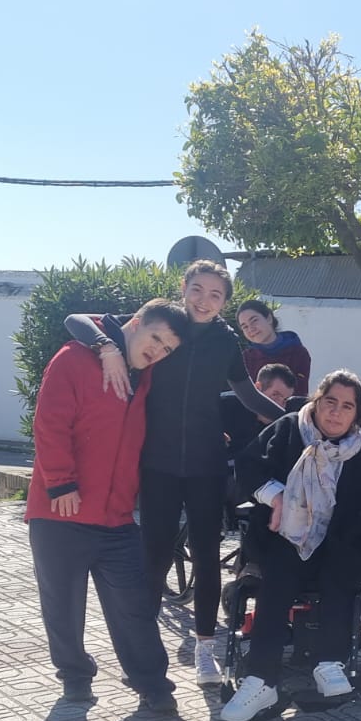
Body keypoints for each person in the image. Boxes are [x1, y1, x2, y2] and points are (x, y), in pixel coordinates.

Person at [66, 261, 283, 687]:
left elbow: (248, 395)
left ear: (225, 301)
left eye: (216, 295)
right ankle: (145, 655)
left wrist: (299, 423)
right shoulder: (165, 326)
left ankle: (206, 649)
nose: (205, 300)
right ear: (184, 287)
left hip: (205, 465)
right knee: (154, 557)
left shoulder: (224, 340)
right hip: (156, 464)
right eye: (198, 290)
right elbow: (75, 320)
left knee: (206, 557)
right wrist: (106, 347)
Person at [221, 371, 361, 721]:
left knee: (341, 571)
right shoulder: (286, 431)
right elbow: (248, 467)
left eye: (347, 406)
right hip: (286, 537)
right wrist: (276, 495)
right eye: (330, 402)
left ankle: (330, 662)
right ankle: (260, 679)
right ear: (316, 401)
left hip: (340, 543)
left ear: (356, 414)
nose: (336, 412)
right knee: (277, 576)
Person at [27, 300, 190, 709]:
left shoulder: (145, 376)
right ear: (135, 324)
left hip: (116, 517)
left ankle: (152, 682)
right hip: (61, 511)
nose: (158, 351)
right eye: (156, 338)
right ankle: (75, 675)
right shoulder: (73, 359)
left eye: (167, 348)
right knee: (63, 607)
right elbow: (49, 423)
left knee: (134, 604)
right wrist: (60, 483)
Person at [237, 299, 312, 394]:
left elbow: (300, 393)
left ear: (269, 318)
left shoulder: (298, 353)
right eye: (245, 326)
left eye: (254, 320)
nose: (251, 328)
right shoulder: (246, 358)